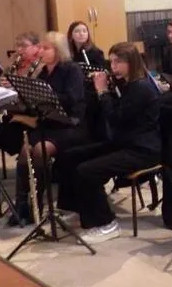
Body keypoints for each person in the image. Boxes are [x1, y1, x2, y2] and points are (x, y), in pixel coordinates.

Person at [54, 42, 162, 244]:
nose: (113, 67)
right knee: (70, 156)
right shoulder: (127, 83)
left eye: (118, 62)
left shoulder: (142, 88)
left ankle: (107, 224)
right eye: (111, 62)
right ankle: (74, 208)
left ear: (131, 62)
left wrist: (103, 92)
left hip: (142, 150)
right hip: (124, 142)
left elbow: (115, 118)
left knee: (87, 171)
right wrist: (98, 89)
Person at [7, 31, 89, 226]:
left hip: (70, 124)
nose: (41, 51)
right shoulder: (44, 71)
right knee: (24, 152)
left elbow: (73, 99)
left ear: (58, 50)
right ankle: (22, 204)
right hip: (49, 123)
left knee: (40, 150)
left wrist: (48, 94)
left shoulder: (72, 70)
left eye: (46, 48)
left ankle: (38, 203)